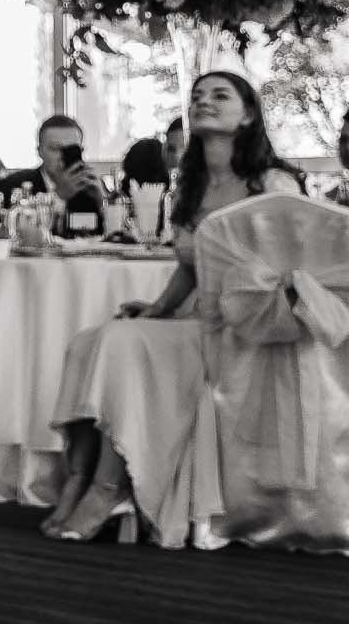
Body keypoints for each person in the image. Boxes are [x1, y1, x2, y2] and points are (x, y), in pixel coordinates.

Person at [45, 73, 304, 543]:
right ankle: (79, 477)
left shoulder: (272, 182)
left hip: (246, 332)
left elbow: (295, 268)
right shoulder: (193, 183)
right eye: (197, 96)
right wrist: (158, 308)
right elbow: (189, 267)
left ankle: (109, 486)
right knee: (92, 340)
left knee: (121, 343)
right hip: (197, 318)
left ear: (247, 115)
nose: (203, 101)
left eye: (219, 96)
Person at [0, 114, 108, 233]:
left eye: (71, 150)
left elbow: (112, 238)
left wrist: (104, 204)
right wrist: (58, 197)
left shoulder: (90, 186)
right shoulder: (12, 185)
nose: (62, 156)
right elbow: (5, 233)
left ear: (82, 150)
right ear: (39, 151)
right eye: (55, 149)